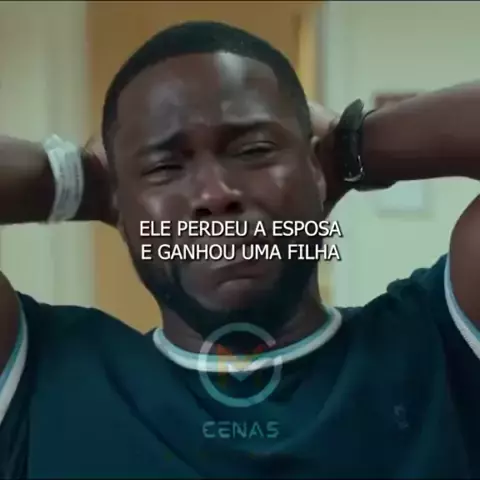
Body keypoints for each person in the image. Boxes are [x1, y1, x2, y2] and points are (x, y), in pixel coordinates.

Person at [0, 20, 479, 479]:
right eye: (164, 168)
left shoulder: (435, 342)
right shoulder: (52, 375)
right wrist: (81, 182)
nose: (214, 194)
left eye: (254, 151)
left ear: (316, 171)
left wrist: (349, 149)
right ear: (121, 208)